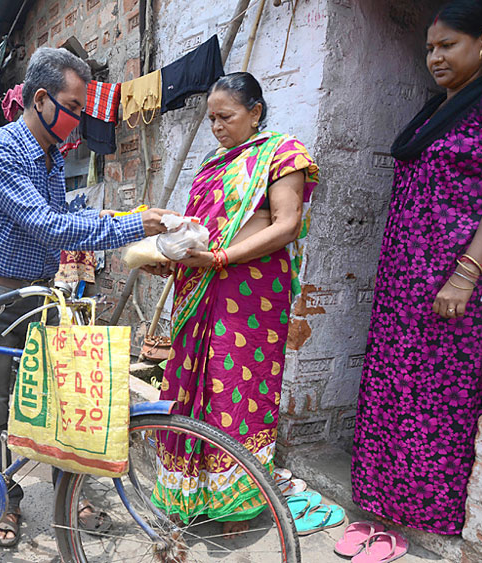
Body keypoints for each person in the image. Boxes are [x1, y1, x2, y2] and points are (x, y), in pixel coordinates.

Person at [0, 46, 175, 547]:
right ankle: (4, 499)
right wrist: (131, 223)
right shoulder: (1, 149)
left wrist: (133, 235)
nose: (80, 119)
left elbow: (63, 220)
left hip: (40, 295)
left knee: (61, 400)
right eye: (75, 107)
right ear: (41, 100)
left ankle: (67, 496)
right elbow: (47, 225)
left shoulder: (51, 158)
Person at [351, 0, 482, 535]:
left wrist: (466, 273)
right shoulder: (432, 110)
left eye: (447, 45)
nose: (435, 57)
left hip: (448, 278)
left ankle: (422, 515)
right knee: (390, 385)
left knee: (434, 397)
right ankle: (380, 504)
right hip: (402, 273)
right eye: (430, 48)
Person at [142, 72, 318, 538]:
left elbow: (287, 224)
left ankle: (235, 505)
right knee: (187, 385)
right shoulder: (212, 162)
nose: (217, 127)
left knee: (233, 385)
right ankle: (186, 494)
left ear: (255, 112)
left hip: (250, 294)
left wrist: (221, 257)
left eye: (227, 117)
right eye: (211, 119)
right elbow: (198, 226)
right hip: (199, 287)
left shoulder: (282, 153)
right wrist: (172, 258)